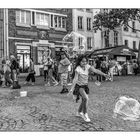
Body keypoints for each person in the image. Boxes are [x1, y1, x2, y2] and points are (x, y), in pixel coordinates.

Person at [68, 55, 109, 122]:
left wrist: (104, 74)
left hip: (85, 86)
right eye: (82, 61)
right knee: (86, 98)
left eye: (85, 61)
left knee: (84, 99)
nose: (84, 63)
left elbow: (95, 70)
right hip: (79, 86)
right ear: (79, 62)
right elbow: (75, 79)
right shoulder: (77, 69)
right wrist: (72, 89)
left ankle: (78, 112)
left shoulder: (87, 66)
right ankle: (85, 114)